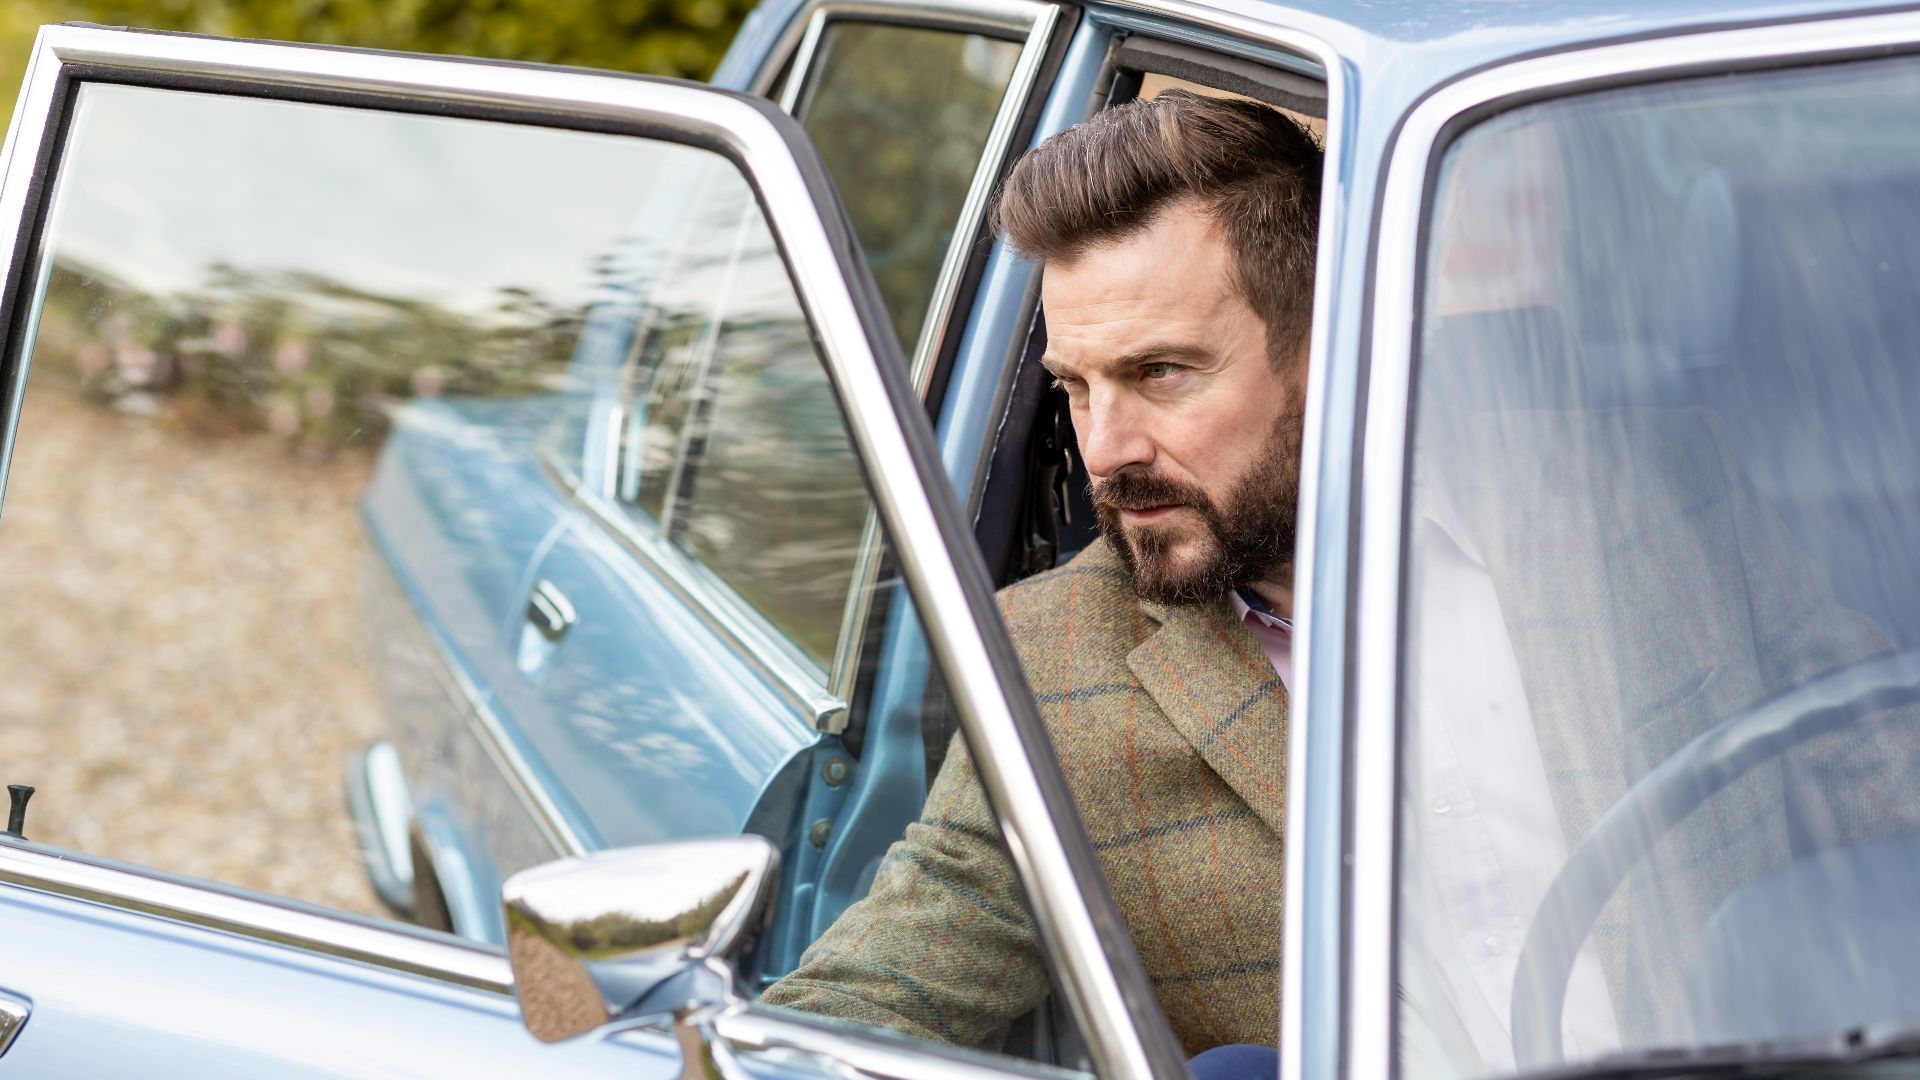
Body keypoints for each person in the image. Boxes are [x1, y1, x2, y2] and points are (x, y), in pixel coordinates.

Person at [760, 88, 1319, 1067]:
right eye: (1074, 386)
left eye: (1161, 374)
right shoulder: (1053, 659)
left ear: (1327, 349)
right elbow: (877, 998)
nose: (1104, 452)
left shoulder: (1638, 529)